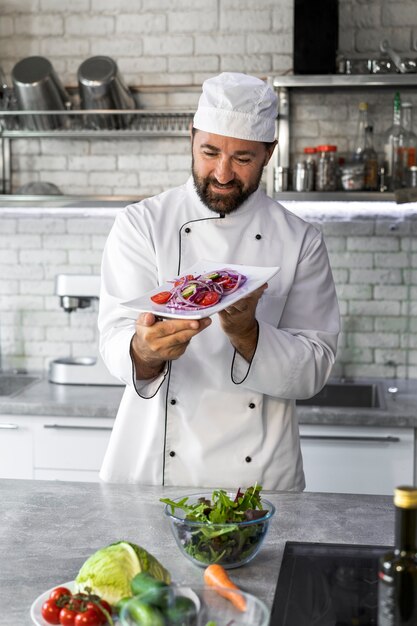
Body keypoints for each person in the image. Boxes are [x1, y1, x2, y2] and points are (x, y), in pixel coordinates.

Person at [98, 72, 340, 490]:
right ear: (190, 138)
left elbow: (314, 370)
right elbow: (114, 339)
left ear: (269, 153)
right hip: (155, 467)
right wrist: (143, 350)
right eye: (209, 152)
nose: (223, 174)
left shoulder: (300, 241)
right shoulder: (142, 224)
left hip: (259, 476)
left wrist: (248, 333)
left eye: (243, 159)